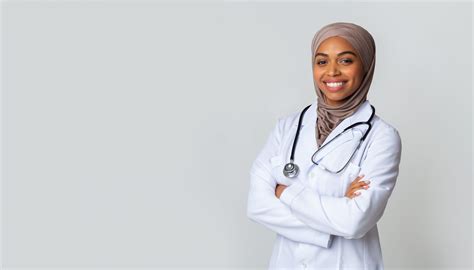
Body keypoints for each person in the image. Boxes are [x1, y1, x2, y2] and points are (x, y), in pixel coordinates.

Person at [246, 22, 402, 269]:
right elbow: (257, 205)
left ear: (366, 65)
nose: (332, 72)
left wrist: (285, 192)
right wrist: (330, 224)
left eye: (346, 61)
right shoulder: (286, 128)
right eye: (321, 61)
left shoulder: (382, 137)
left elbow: (355, 221)